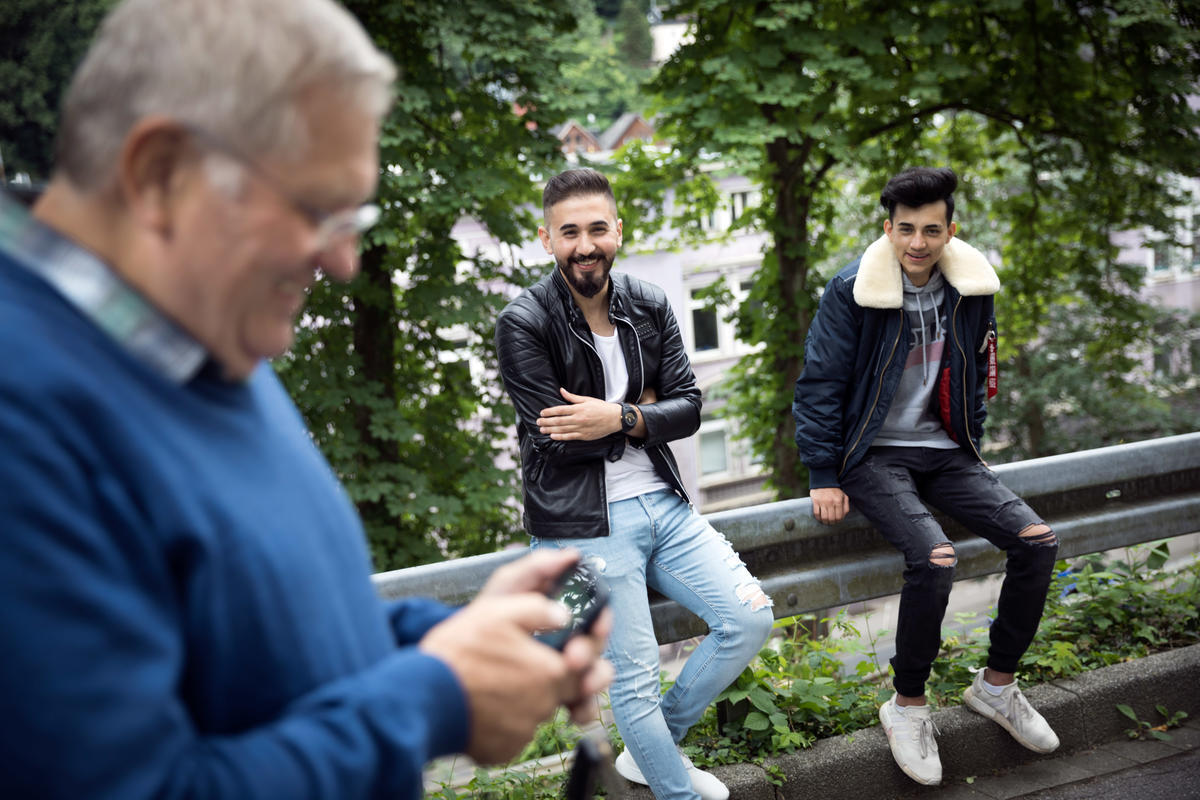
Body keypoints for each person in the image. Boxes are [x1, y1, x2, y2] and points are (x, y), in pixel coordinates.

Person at [0, 1, 611, 798]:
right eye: (319, 211)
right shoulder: (25, 419)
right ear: (160, 176)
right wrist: (433, 698)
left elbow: (259, 640)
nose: (346, 261)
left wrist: (457, 641)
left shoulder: (197, 325)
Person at [495, 167, 774, 800]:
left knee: (750, 619)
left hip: (665, 505)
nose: (585, 245)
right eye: (570, 232)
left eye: (597, 229)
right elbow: (551, 438)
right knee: (635, 678)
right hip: (582, 525)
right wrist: (646, 413)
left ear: (618, 231)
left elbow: (691, 408)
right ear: (547, 239)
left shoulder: (648, 302)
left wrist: (615, 416)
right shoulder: (524, 322)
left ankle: (651, 752)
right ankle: (675, 788)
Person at [793, 167, 1061, 786]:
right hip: (872, 454)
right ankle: (907, 705)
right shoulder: (852, 290)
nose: (918, 242)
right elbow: (819, 384)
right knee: (936, 558)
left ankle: (997, 686)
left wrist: (971, 438)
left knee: (1038, 543)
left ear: (950, 231)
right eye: (907, 229)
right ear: (888, 229)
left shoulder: (971, 290)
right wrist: (823, 472)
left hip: (946, 451)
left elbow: (979, 374)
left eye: (931, 230)